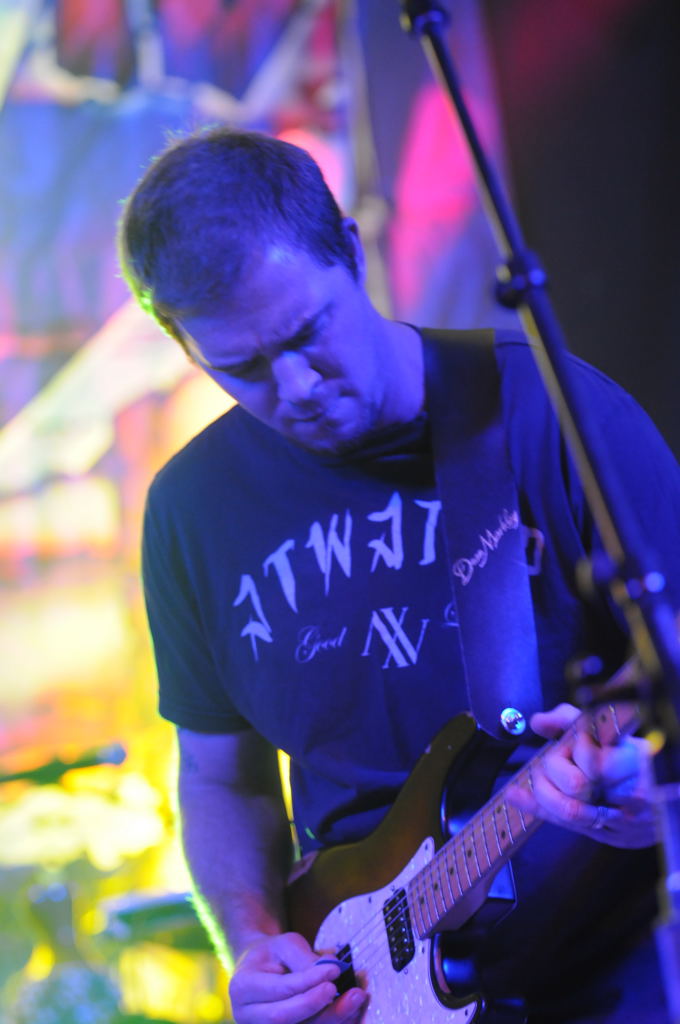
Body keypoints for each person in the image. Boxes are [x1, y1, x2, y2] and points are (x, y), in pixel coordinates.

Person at [118, 127, 680, 1023]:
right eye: (243, 367)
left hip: (605, 978)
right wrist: (256, 943)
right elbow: (222, 777)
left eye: (307, 333)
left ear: (349, 248)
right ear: (182, 346)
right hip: (366, 989)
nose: (297, 387)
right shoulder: (190, 508)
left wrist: (654, 796)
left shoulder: (547, 416)